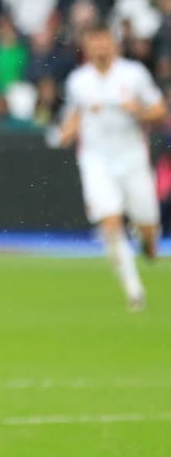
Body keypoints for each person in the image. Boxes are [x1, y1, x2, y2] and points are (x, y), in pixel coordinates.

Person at [59, 23, 166, 310]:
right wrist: (66, 133)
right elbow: (72, 116)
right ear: (87, 46)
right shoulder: (78, 81)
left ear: (114, 44)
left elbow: (159, 110)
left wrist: (139, 111)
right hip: (96, 161)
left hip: (132, 159)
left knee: (148, 228)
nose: (101, 47)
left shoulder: (133, 74)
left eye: (105, 41)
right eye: (95, 41)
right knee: (110, 222)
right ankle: (134, 292)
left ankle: (147, 242)